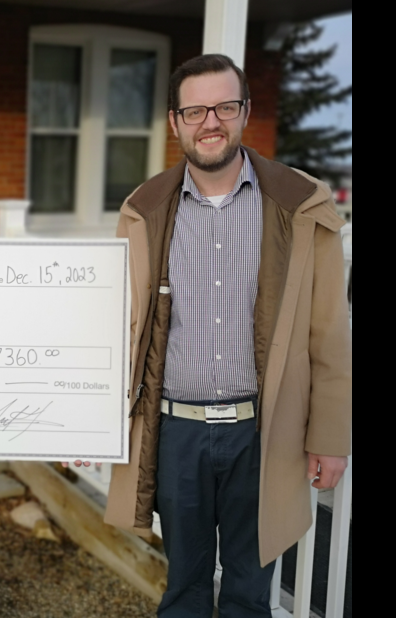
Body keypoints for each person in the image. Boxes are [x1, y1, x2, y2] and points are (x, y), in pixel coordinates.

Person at [96, 54, 352, 616]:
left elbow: (329, 332)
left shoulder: (299, 206)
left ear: (245, 112)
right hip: (175, 433)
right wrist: (80, 419)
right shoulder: (145, 210)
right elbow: (119, 326)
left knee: (247, 593)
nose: (210, 121)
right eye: (195, 110)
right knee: (183, 587)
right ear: (175, 121)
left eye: (224, 106)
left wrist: (331, 435)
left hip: (263, 434)